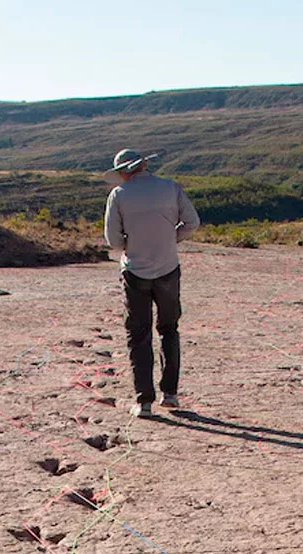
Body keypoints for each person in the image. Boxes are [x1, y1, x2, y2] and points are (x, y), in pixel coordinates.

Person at [103, 148, 200, 418]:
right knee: (169, 329)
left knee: (138, 334)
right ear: (144, 165)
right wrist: (171, 240)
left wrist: (131, 247)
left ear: (123, 172)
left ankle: (144, 400)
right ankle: (170, 394)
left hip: (135, 271)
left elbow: (112, 240)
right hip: (169, 267)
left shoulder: (119, 195)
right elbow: (192, 222)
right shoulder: (171, 188)